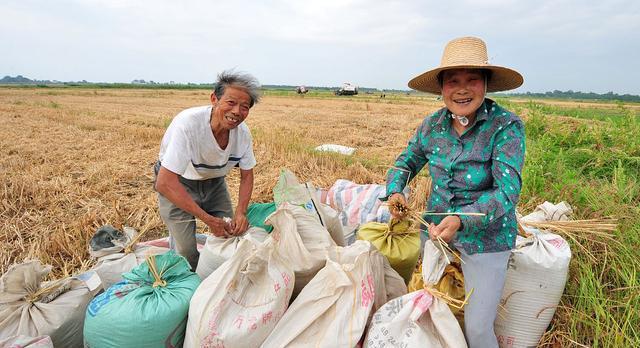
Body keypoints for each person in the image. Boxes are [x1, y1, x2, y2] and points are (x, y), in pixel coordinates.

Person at [385, 36, 525, 347]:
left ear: (486, 84)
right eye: (453, 81)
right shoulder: (432, 125)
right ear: (442, 88)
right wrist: (396, 190)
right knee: (428, 312)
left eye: (472, 79)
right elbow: (406, 162)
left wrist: (462, 219)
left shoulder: (505, 127)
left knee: (476, 328)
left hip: (486, 239)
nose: (462, 89)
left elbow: (507, 192)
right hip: (435, 232)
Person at [154, 70, 260, 270]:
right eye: (231, 102)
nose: (237, 111)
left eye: (244, 107)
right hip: (178, 184)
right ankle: (191, 288)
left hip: (214, 182)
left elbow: (247, 176)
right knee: (186, 252)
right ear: (214, 99)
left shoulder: (243, 135)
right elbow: (165, 182)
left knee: (231, 235)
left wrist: (241, 213)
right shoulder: (188, 125)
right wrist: (208, 219)